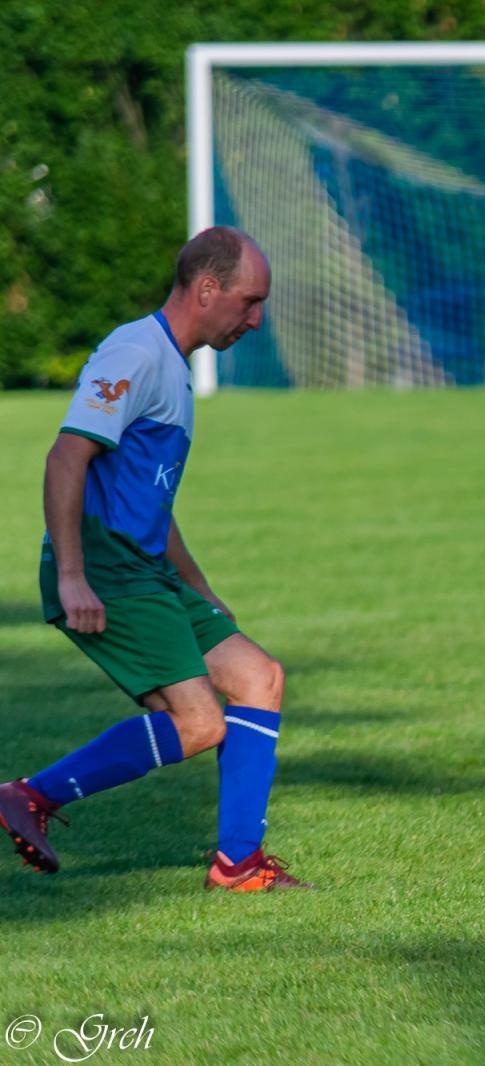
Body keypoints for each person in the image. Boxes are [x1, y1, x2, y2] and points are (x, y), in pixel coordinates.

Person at [0, 227, 310, 892]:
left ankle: (238, 864)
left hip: (146, 569)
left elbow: (152, 501)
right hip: (107, 569)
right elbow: (66, 457)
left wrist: (201, 588)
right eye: (249, 302)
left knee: (260, 677)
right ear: (206, 290)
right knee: (199, 722)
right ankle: (30, 796)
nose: (256, 319)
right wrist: (75, 576)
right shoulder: (136, 353)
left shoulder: (172, 365)